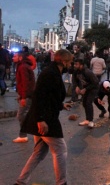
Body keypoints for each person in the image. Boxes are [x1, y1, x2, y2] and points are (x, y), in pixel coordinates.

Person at [15, 49, 73, 185]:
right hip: (45, 119)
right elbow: (39, 97)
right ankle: (61, 182)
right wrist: (41, 120)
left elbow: (50, 96)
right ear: (63, 61)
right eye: (70, 62)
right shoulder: (49, 74)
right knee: (60, 150)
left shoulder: (54, 72)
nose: (71, 64)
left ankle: (21, 181)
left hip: (45, 116)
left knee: (39, 152)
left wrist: (61, 105)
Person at [13, 52, 36, 143]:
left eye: (15, 56)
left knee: (21, 115)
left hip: (27, 95)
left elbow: (25, 83)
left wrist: (24, 97)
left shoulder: (22, 67)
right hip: (27, 95)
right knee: (26, 114)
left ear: (20, 57)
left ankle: (23, 135)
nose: (13, 58)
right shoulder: (23, 66)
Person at [73, 59, 100, 128]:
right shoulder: (76, 71)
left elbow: (96, 82)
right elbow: (74, 80)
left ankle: (91, 121)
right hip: (86, 88)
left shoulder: (87, 72)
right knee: (84, 103)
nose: (75, 66)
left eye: (76, 64)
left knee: (88, 103)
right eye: (74, 64)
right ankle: (87, 119)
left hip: (93, 88)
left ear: (81, 65)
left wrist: (85, 89)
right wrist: (76, 86)